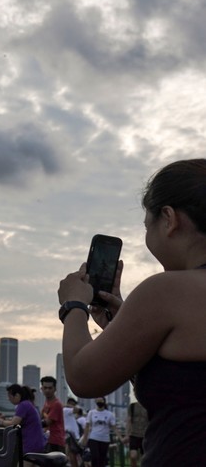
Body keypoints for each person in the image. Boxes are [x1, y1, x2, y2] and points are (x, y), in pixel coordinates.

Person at [58, 159, 206, 465]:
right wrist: (126, 328)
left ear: (168, 219)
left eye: (146, 224)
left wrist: (73, 306)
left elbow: (84, 377)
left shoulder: (166, 292)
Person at [0, 384, 45, 455]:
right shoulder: (27, 404)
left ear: (17, 395)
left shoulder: (23, 405)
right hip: (36, 444)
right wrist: (5, 419)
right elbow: (19, 421)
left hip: (31, 446)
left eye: (9, 396)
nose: (8, 399)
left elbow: (13, 424)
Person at [80, 397, 122, 467]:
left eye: (101, 401)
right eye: (98, 401)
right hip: (93, 438)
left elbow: (114, 427)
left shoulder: (109, 414)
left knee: (102, 459)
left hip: (104, 439)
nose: (99, 402)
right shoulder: (91, 412)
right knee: (95, 457)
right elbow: (87, 426)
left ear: (104, 402)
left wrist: (121, 438)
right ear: (95, 402)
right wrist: (85, 438)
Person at [40, 376, 66, 453]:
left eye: (50, 388)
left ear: (55, 389)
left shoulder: (56, 404)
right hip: (48, 440)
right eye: (45, 388)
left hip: (56, 442)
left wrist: (31, 424)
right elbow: (40, 417)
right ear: (42, 389)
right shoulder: (46, 403)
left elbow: (47, 422)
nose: (47, 390)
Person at [124, 401, 148, 467]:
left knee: (145, 458)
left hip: (145, 435)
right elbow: (128, 421)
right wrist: (127, 435)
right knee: (133, 456)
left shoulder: (148, 405)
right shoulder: (132, 406)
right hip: (133, 434)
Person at [63, 397, 83, 466]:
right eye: (73, 404)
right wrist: (69, 405)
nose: (74, 406)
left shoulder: (69, 412)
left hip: (73, 437)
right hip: (70, 437)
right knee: (72, 455)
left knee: (75, 457)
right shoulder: (66, 410)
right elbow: (78, 410)